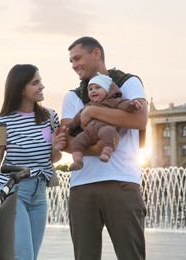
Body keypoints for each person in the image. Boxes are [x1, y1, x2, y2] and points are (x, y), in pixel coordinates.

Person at [61, 36, 148, 260]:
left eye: (78, 58)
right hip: (82, 187)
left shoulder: (129, 82)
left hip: (122, 182)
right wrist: (100, 146)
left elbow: (139, 120)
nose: (74, 65)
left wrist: (91, 112)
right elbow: (67, 142)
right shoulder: (72, 96)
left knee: (131, 256)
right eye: (71, 61)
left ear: (96, 54)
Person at [0, 64, 67, 260]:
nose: (42, 86)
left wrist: (56, 148)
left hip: (39, 193)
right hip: (12, 191)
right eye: (36, 82)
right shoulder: (4, 121)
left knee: (32, 255)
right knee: (24, 256)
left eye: (40, 81)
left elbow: (54, 159)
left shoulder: (50, 117)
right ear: (21, 89)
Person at [67, 72, 144, 171]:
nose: (93, 91)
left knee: (109, 132)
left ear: (107, 90)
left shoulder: (113, 101)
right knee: (77, 141)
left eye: (97, 88)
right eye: (90, 89)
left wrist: (133, 104)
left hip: (104, 128)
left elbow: (124, 104)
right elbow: (77, 118)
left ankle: (106, 153)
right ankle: (77, 160)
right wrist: (69, 127)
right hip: (88, 133)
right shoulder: (88, 106)